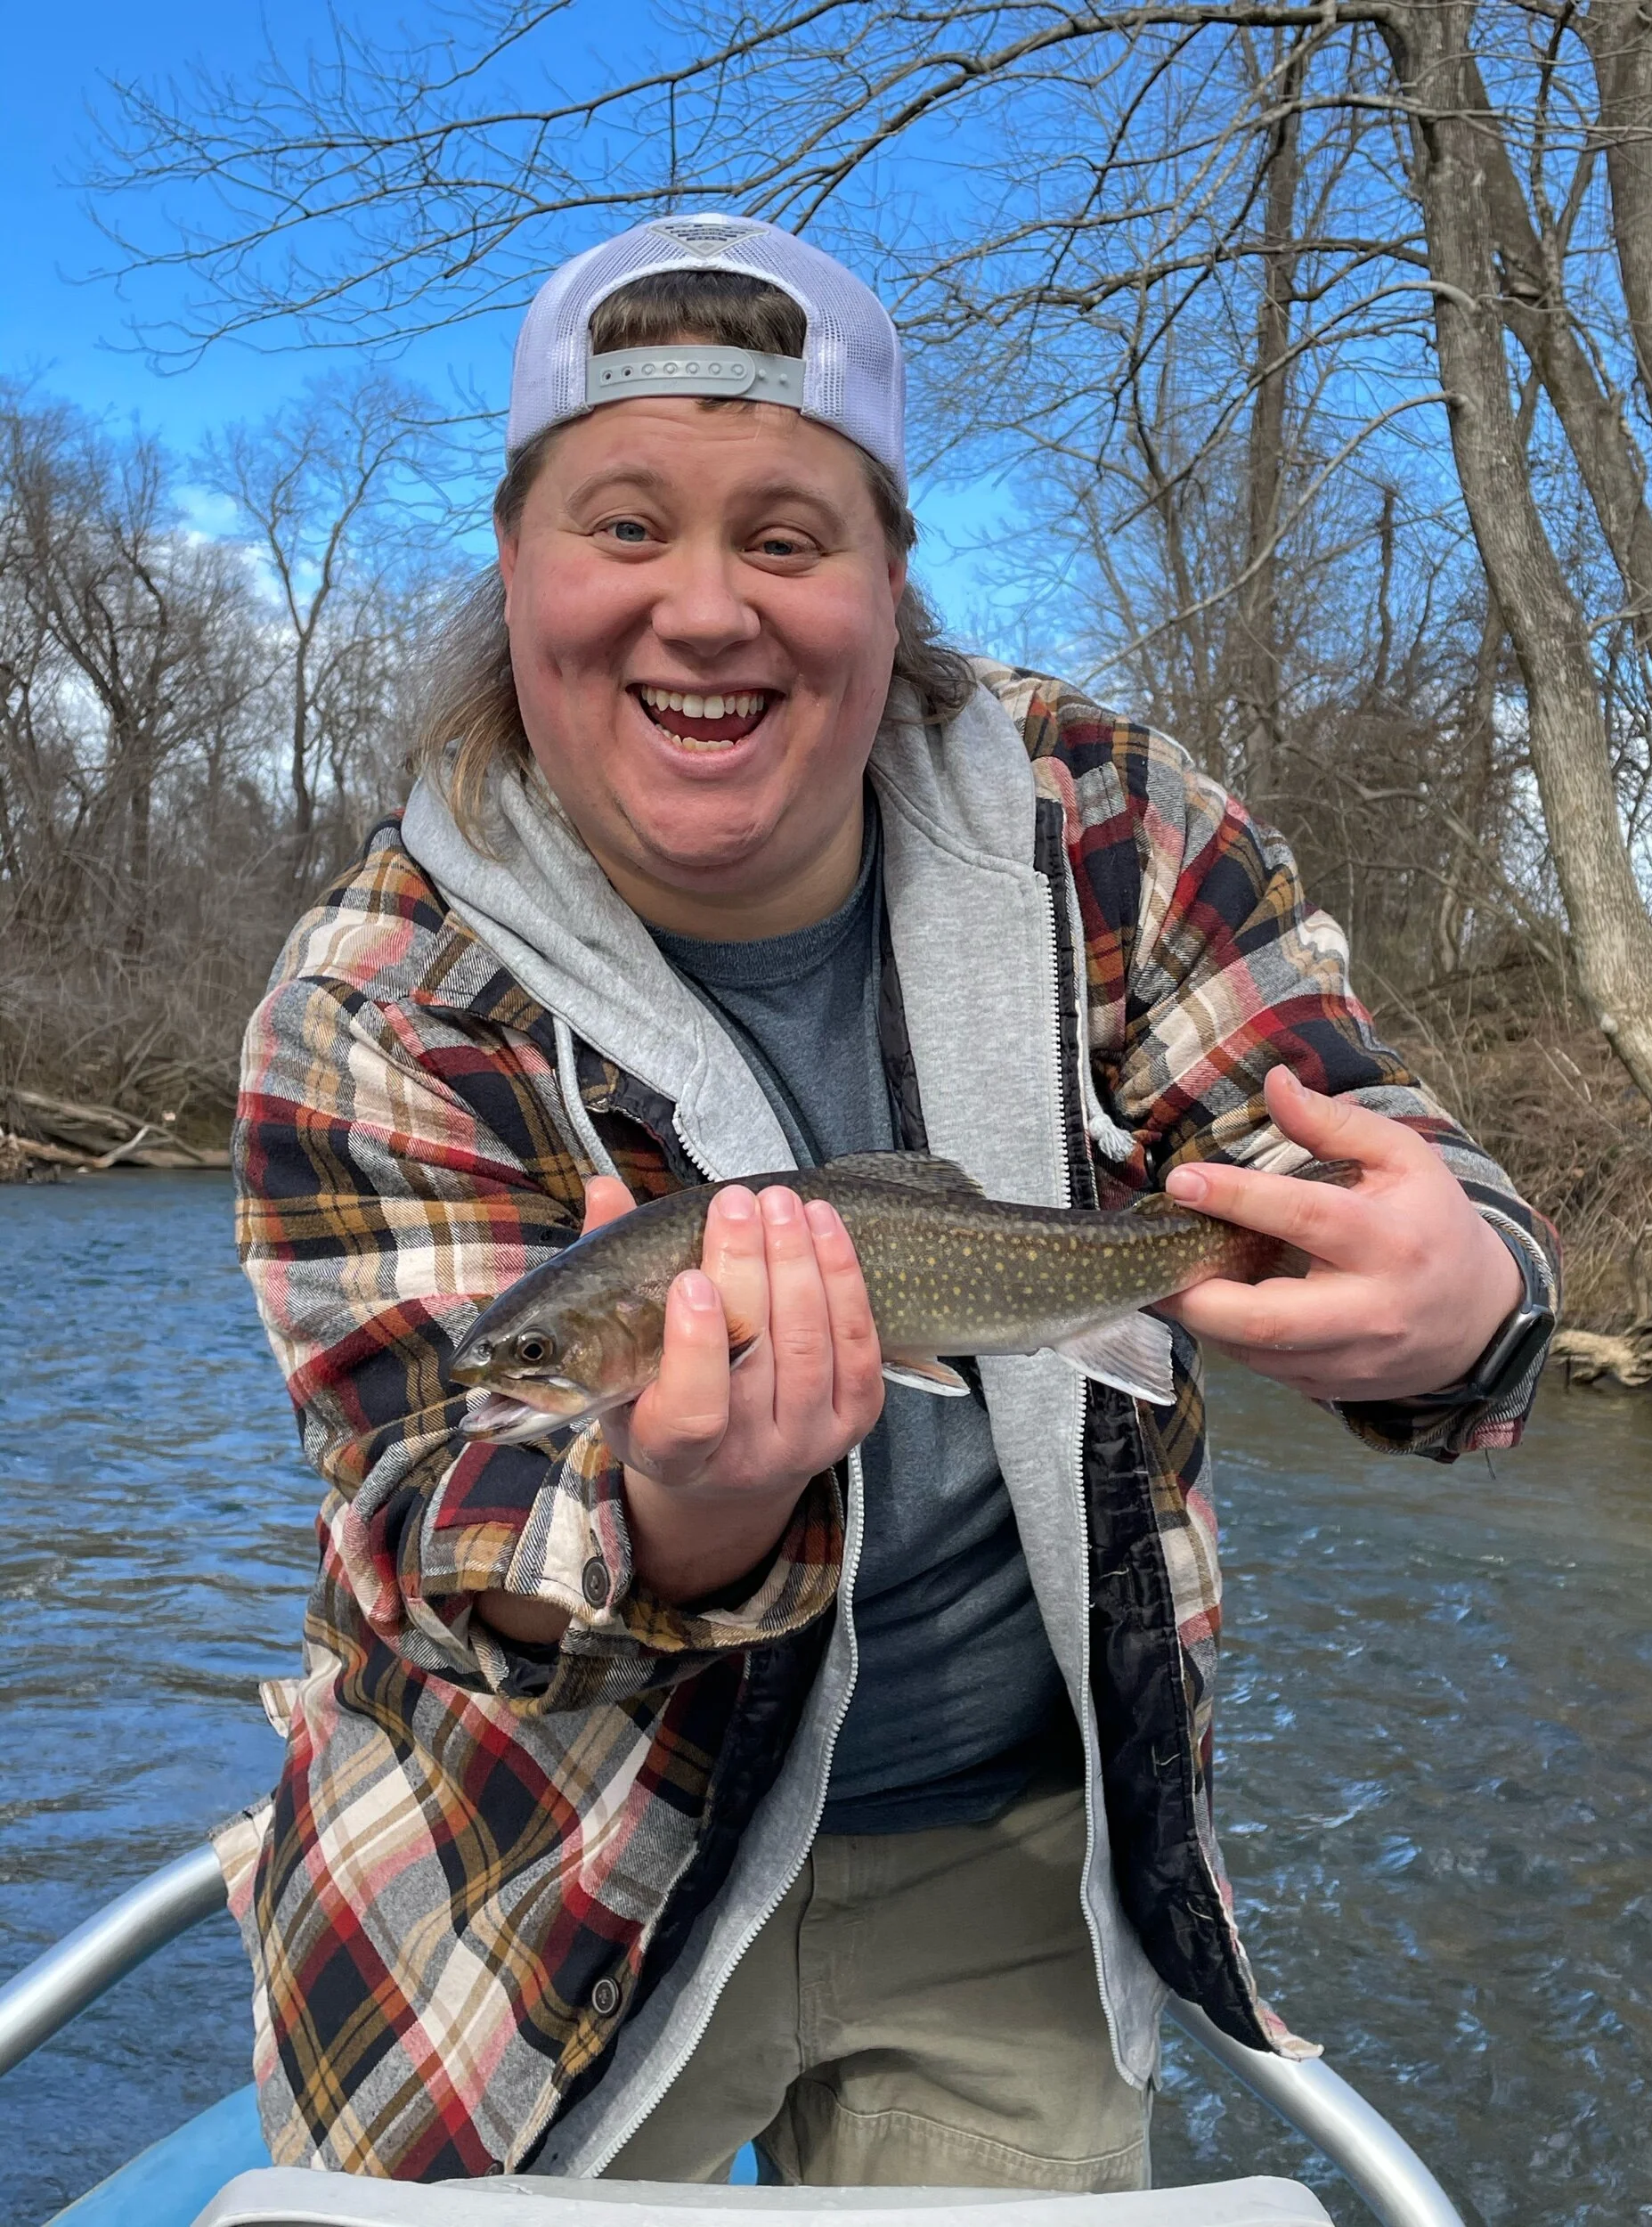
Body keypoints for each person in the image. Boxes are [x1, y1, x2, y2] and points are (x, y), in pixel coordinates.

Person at [219, 213, 1559, 2190]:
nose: (705, 609)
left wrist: (1464, 1287)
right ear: (515, 570)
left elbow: (1343, 1129)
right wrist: (680, 1510)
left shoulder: (1103, 820)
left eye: (784, 536)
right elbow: (422, 1502)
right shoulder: (372, 1000)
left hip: (1012, 1856)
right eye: (623, 526)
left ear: (887, 580)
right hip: (523, 1870)